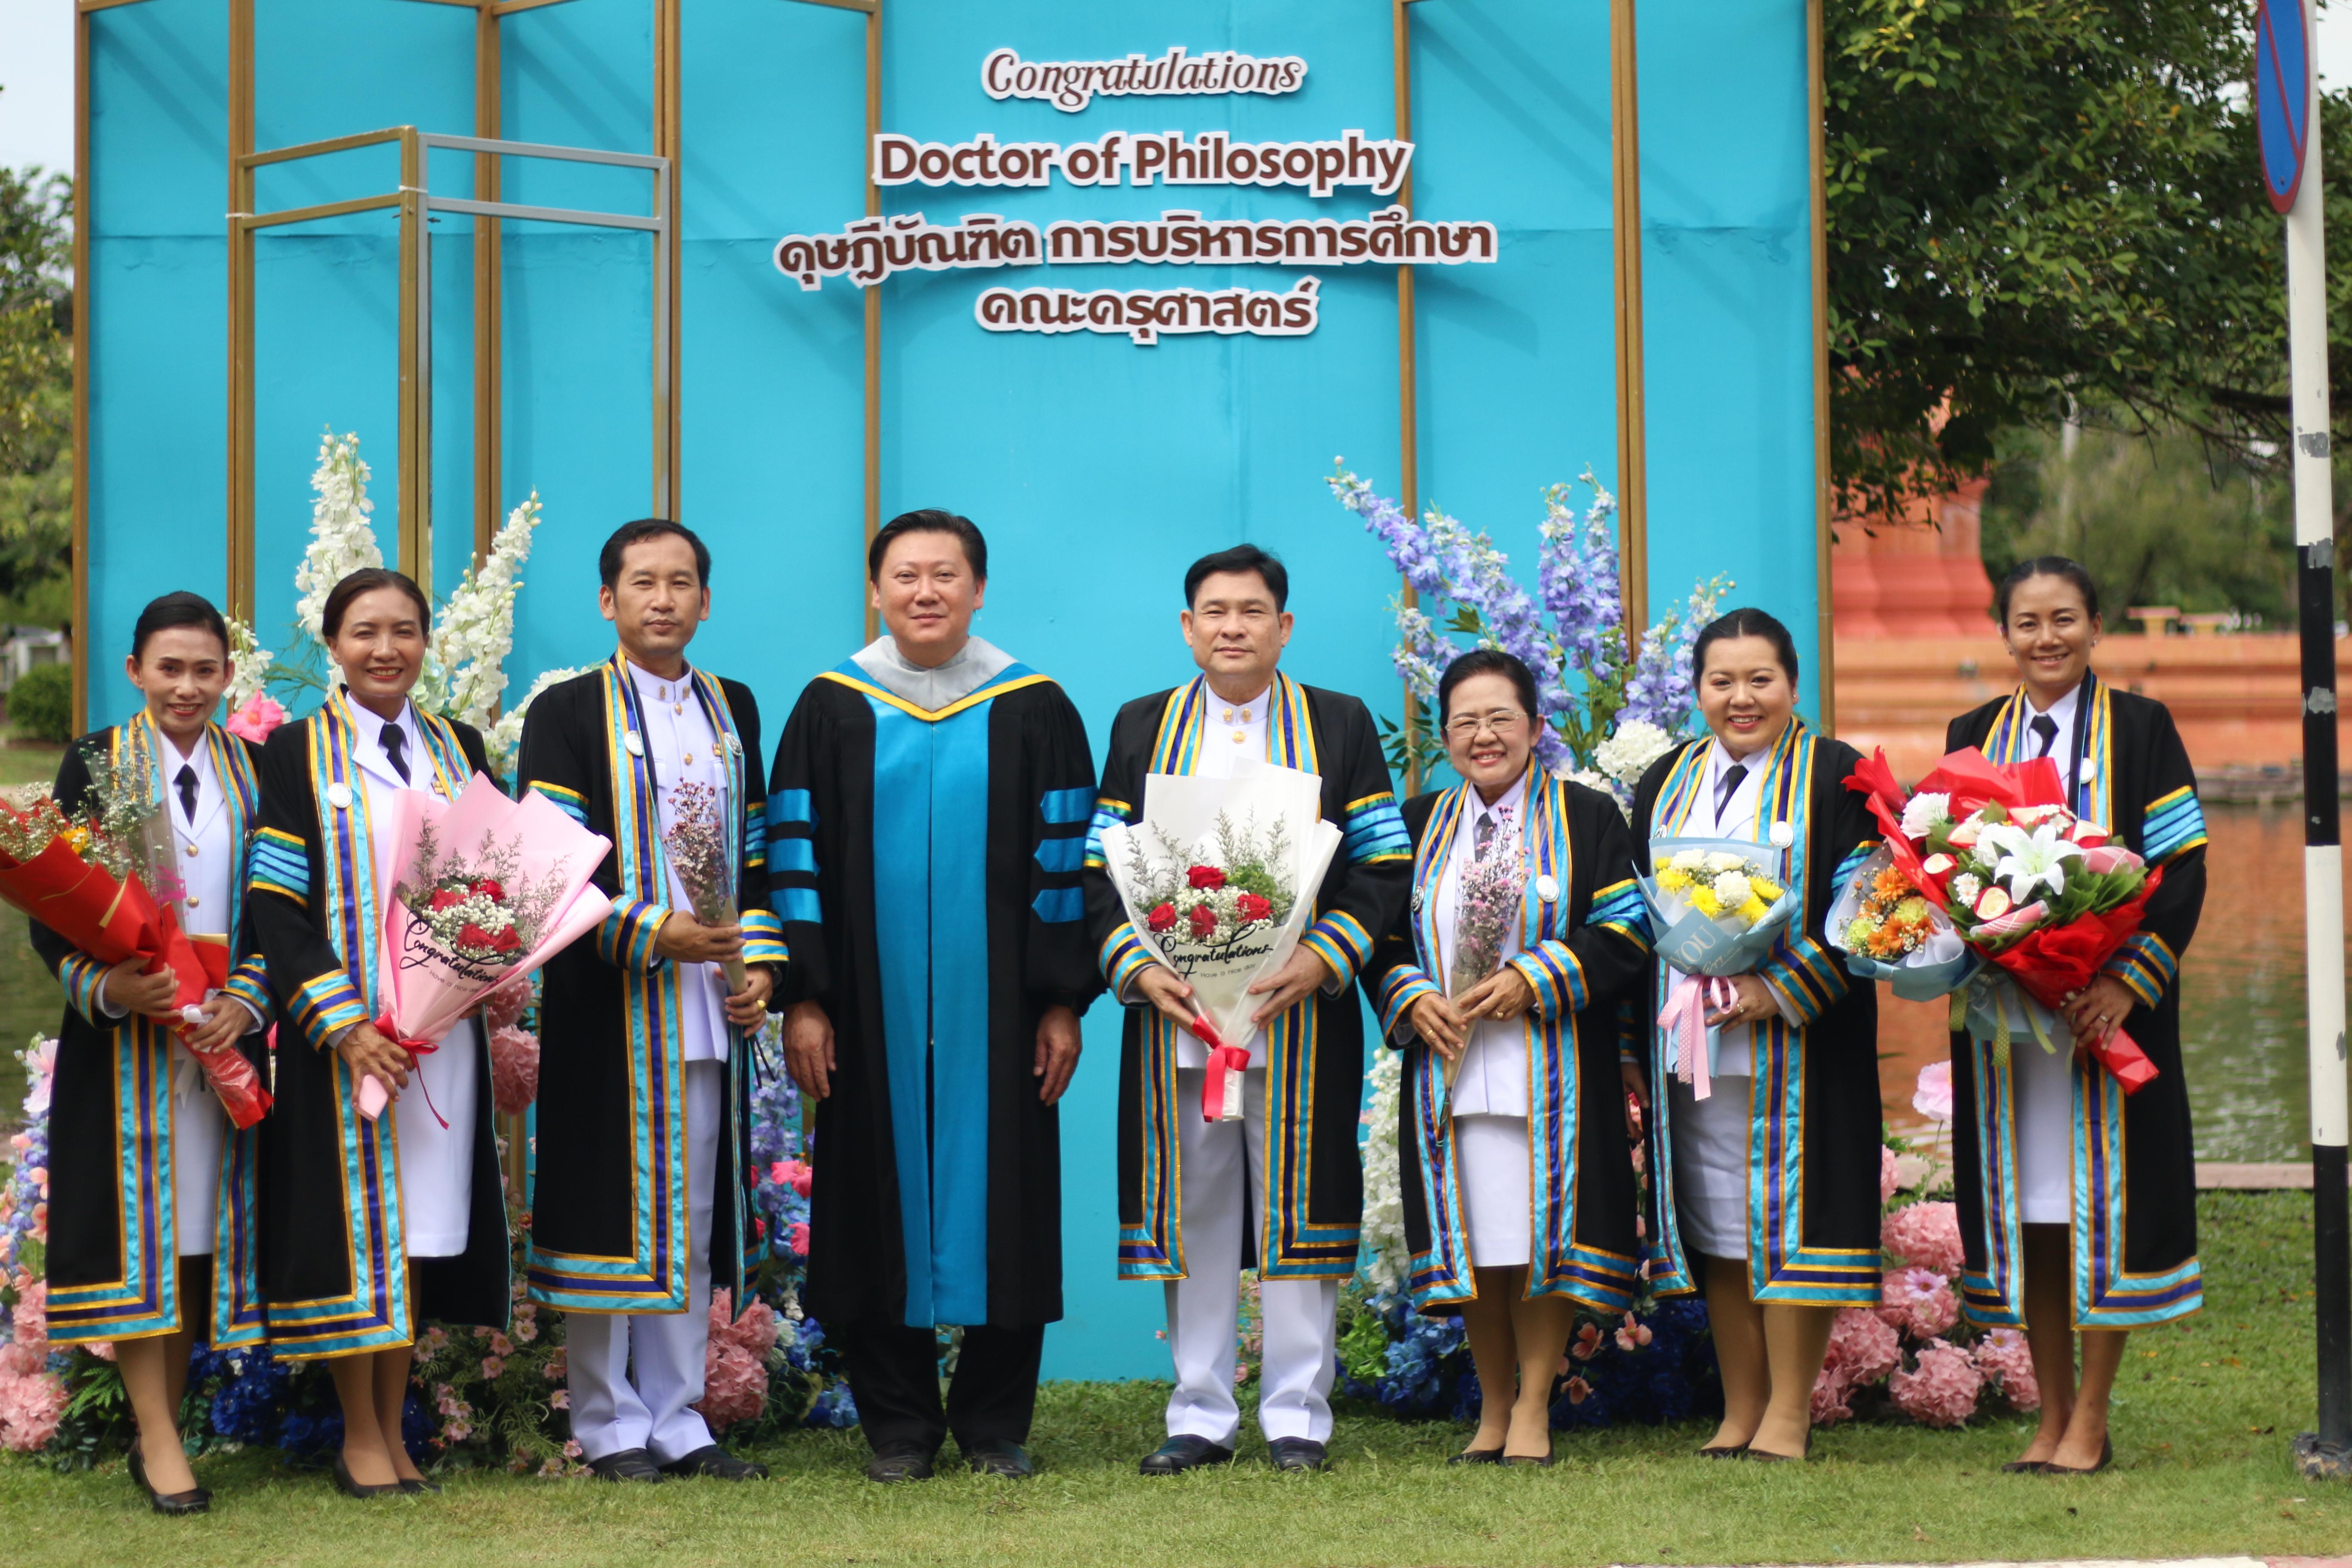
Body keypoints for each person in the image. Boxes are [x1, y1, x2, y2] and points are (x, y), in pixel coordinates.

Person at [770, 509, 1099, 1483]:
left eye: (945, 575)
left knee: (1011, 1197)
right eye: (905, 575)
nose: (925, 591)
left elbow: (1070, 869)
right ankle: (900, 1426)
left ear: (978, 588)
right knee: (871, 1194)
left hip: (1001, 1015)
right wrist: (806, 997)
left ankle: (995, 1423)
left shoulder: (1035, 706)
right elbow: (793, 862)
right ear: (876, 590)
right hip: (864, 1013)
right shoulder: (830, 707)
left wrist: (1062, 1001)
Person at [1085, 544, 1412, 1476]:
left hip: (1297, 1015)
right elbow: (1100, 868)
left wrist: (1323, 956)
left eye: (1253, 611)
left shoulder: (1338, 724)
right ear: (1188, 627)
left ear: (1284, 626)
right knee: (1194, 1211)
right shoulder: (1143, 725)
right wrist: (1139, 974)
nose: (1234, 627)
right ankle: (1199, 1412)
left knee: (1298, 1214)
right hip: (1179, 1016)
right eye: (1215, 612)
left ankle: (1298, 1415)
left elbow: (1382, 863)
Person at [519, 519, 782, 1483]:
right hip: (611, 1001)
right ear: (608, 602)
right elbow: (548, 863)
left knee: (696, 1212)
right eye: (643, 583)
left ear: (706, 601)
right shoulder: (567, 712)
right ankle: (605, 1418)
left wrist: (756, 966)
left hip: (708, 1003)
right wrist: (650, 931)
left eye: (682, 583)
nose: (663, 599)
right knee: (607, 1205)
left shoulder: (734, 708)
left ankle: (679, 1415)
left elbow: (756, 857)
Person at [247, 569, 509, 1497]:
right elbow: (275, 905)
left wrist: (486, 973)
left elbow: (496, 880)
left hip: (439, 1042)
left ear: (427, 640)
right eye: (365, 632)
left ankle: (394, 1430)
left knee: (417, 1235)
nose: (386, 649)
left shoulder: (460, 746)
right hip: (344, 1044)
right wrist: (344, 1023)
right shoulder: (292, 755)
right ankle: (362, 1435)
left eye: (403, 630)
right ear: (334, 646)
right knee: (357, 1231)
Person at [1945, 557, 2206, 1476]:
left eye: (2064, 619)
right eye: (2027, 622)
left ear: (2096, 627)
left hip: (2105, 1021)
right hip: (2011, 1026)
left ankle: (2091, 1418)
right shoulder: (1973, 734)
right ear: (2005, 633)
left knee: (2106, 1210)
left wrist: (2126, 983)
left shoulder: (2141, 729)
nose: (2046, 638)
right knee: (2037, 1214)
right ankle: (2049, 1414)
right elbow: (1948, 874)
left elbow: (2180, 871)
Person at [1366, 649, 1652, 1466]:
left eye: (1501, 718)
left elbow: (1627, 931)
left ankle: (1534, 1407)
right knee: (1480, 1245)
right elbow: (1378, 937)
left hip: (1551, 1064)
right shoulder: (1417, 825)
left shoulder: (1587, 816)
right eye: (1465, 722)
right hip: (1449, 1069)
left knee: (1537, 1241)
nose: (1483, 735)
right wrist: (1410, 994)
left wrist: (1537, 976)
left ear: (1536, 726)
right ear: (1444, 735)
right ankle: (1491, 1407)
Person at [30, 592, 273, 1514]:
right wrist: (113, 988)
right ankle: (160, 1439)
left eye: (205, 670)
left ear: (227, 676)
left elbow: (283, 906)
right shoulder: (94, 765)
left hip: (227, 1043)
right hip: (131, 1042)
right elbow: (53, 918)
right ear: (134, 672)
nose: (187, 686)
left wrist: (247, 1002)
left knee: (199, 1236)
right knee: (143, 1241)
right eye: (169, 668)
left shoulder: (256, 772)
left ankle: (163, 1424)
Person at [1629, 607, 1880, 1462]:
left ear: (1793, 685)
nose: (1741, 698)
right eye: (1721, 681)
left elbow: (1873, 912)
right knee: (1717, 1224)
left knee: (1792, 1223)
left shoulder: (1836, 776)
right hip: (1691, 1049)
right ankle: (1741, 1407)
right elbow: (1638, 917)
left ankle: (1788, 1415)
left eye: (1759, 680)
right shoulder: (1665, 781)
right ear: (1696, 689)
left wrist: (1775, 990)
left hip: (1798, 1049)